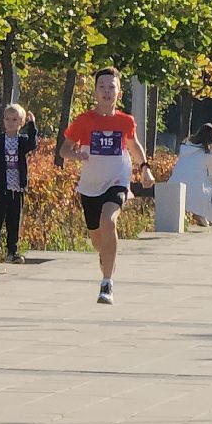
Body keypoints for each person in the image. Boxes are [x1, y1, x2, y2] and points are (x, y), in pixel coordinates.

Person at [59, 66, 152, 305]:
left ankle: (107, 283)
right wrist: (75, 155)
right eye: (102, 87)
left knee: (108, 220)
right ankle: (105, 258)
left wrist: (145, 169)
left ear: (119, 93)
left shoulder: (125, 121)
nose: (107, 92)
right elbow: (64, 149)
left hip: (117, 181)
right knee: (97, 239)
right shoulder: (83, 120)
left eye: (112, 87)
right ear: (94, 92)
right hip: (90, 186)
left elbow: (134, 146)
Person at [0, 104, 38, 262]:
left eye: (15, 119)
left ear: (21, 122)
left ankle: (12, 251)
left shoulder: (22, 141)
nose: (11, 122)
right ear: (3, 121)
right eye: (7, 119)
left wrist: (32, 126)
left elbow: (33, 144)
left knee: (14, 220)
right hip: (0, 187)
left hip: (16, 187)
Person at [170, 123, 212, 227]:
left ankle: (200, 215)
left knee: (199, 185)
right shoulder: (211, 154)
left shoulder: (185, 149)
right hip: (196, 192)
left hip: (174, 189)